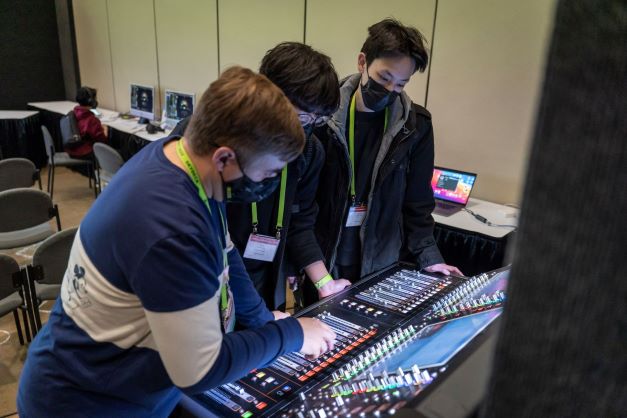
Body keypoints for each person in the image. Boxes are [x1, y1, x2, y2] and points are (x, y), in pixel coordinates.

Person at [17, 67, 336, 418]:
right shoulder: (172, 227)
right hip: (86, 403)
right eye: (269, 172)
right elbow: (198, 369)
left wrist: (265, 322)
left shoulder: (187, 163)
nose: (270, 182)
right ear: (225, 158)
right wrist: (290, 334)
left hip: (118, 389)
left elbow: (228, 255)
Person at [172, 42, 350, 310]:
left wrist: (324, 282)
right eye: (301, 118)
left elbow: (300, 220)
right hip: (207, 279)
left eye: (316, 121)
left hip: (262, 278)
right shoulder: (203, 138)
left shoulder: (310, 151)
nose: (304, 131)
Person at [309, 19, 462, 303]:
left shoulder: (415, 126)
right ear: (362, 62)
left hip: (380, 260)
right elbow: (303, 203)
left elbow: (417, 204)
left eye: (401, 83)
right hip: (324, 257)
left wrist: (430, 258)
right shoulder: (322, 117)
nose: (391, 89)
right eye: (383, 78)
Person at [68, 86, 108, 159]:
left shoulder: (74, 113)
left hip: (72, 151)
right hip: (84, 153)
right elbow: (102, 140)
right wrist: (105, 130)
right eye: (95, 98)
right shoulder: (91, 119)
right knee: (120, 153)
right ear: (91, 101)